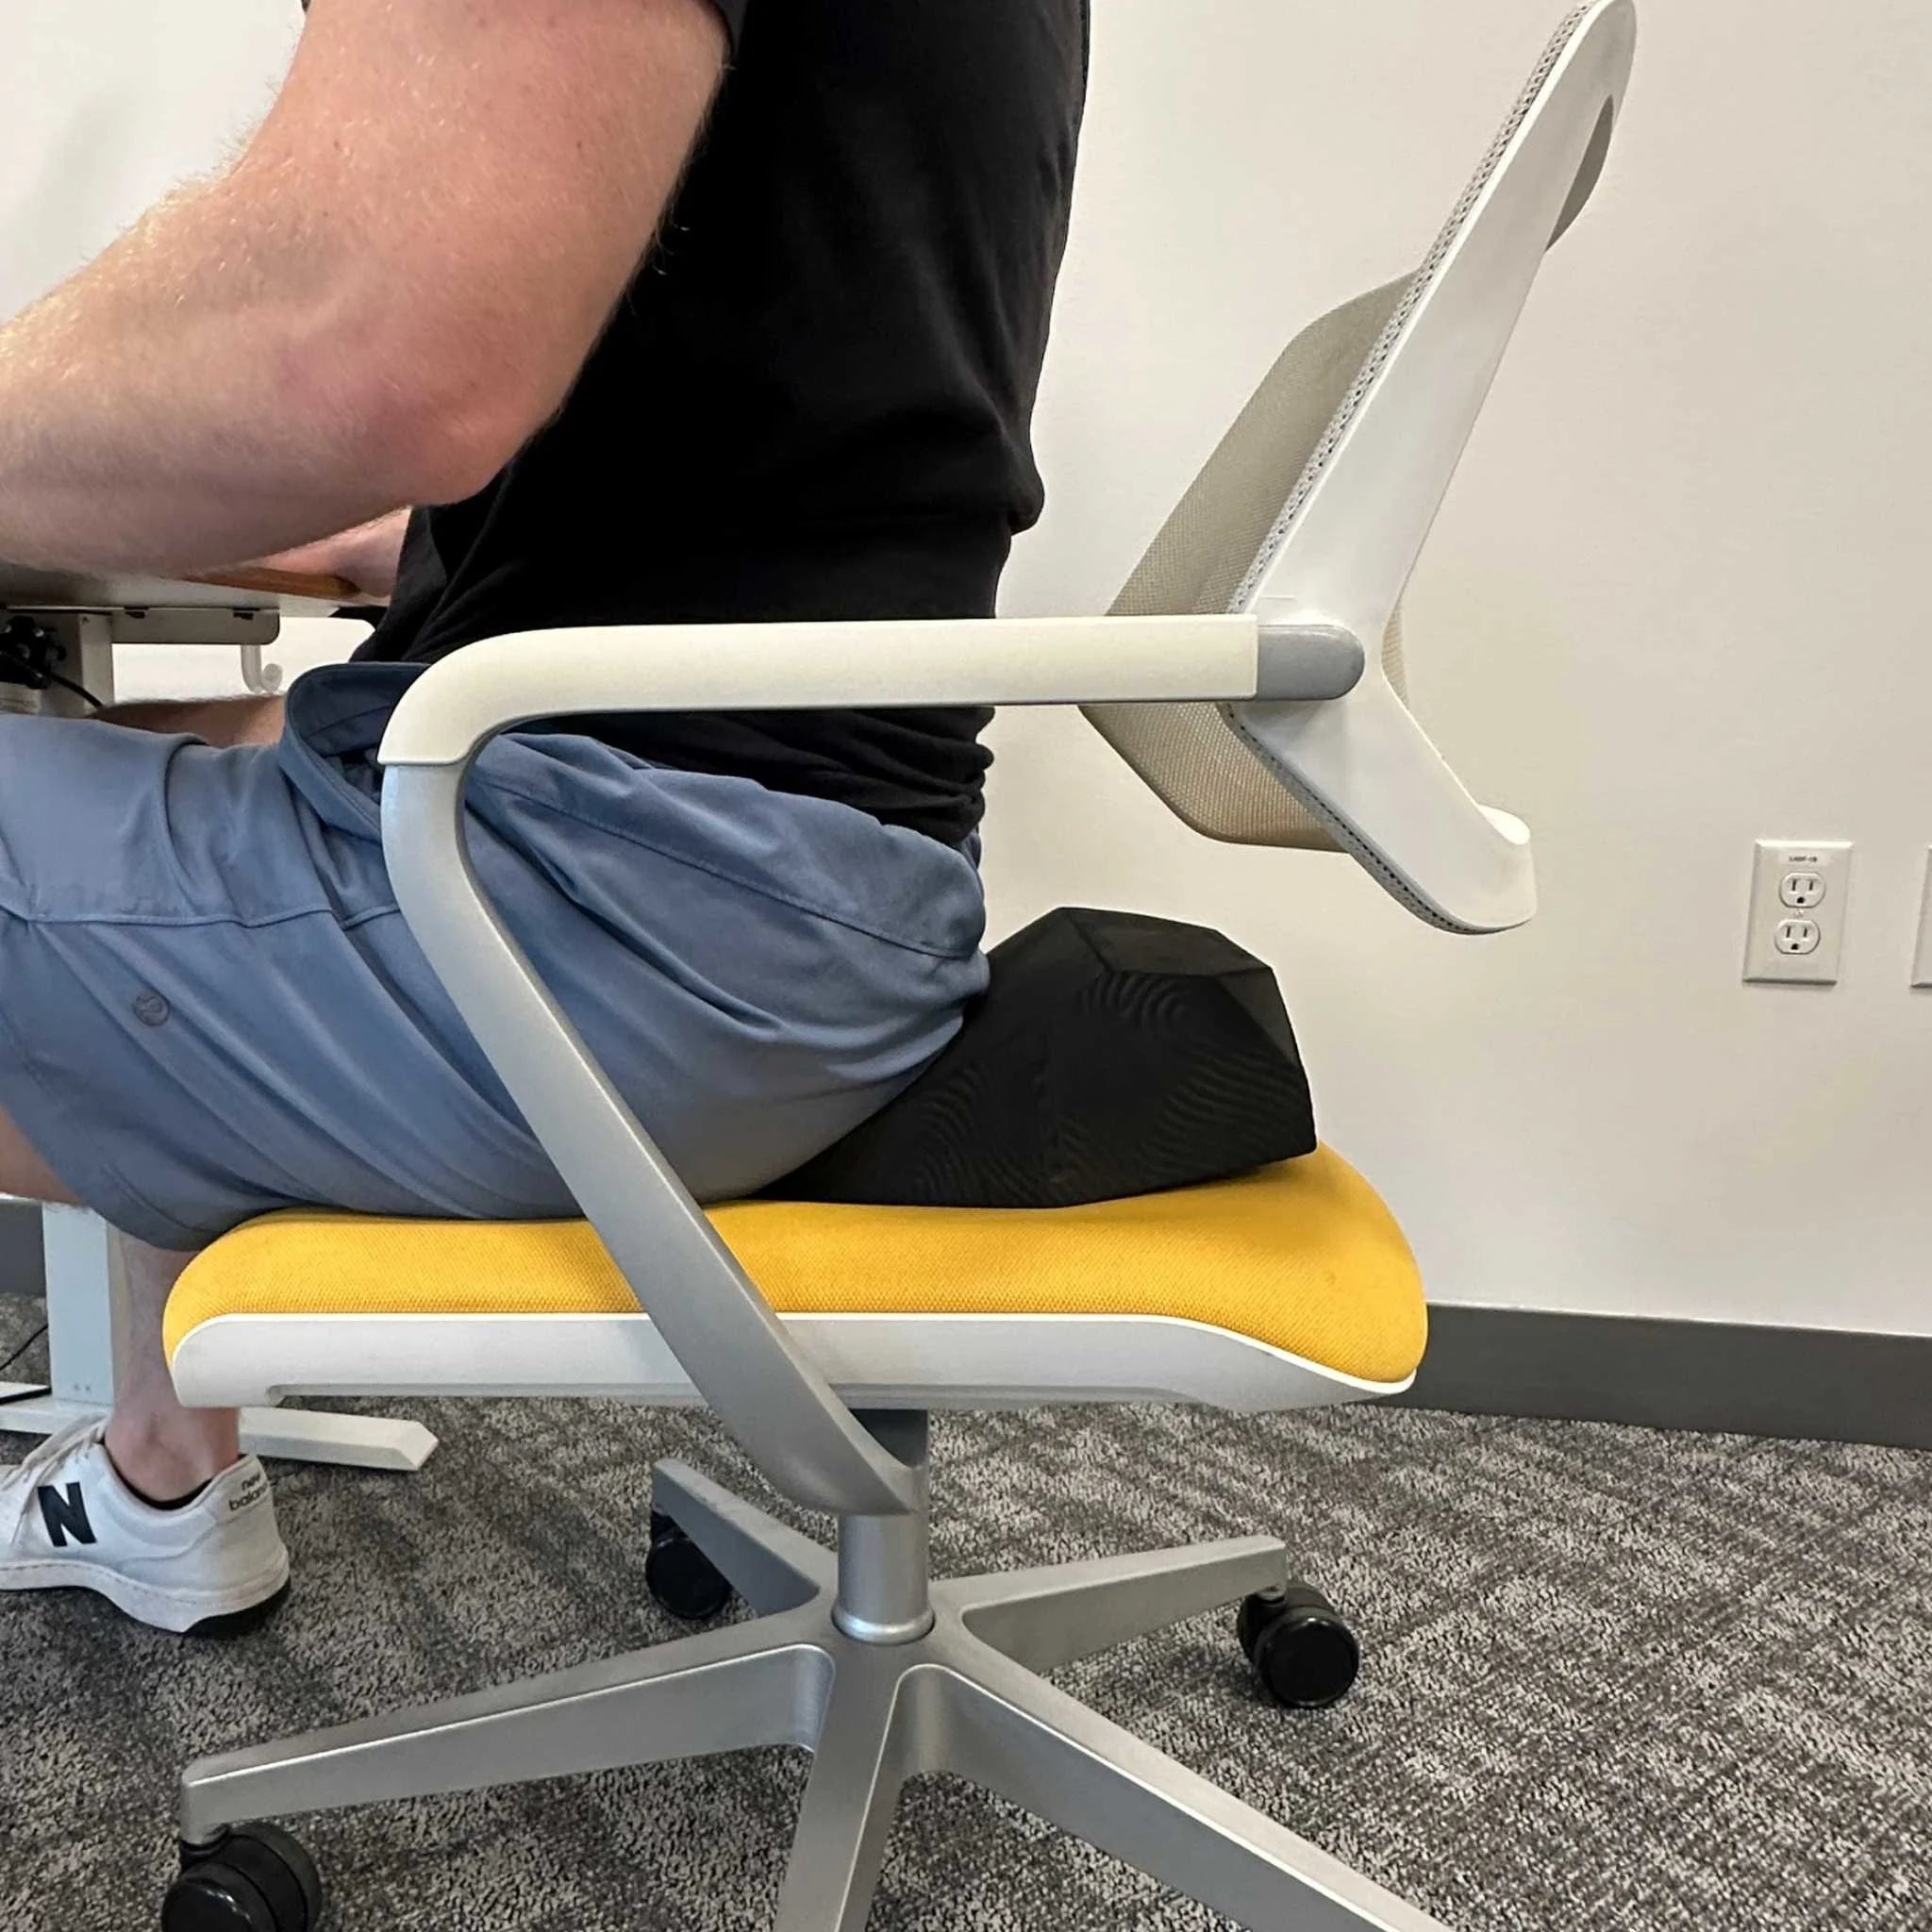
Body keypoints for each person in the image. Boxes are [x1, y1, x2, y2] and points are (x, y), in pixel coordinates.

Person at [0, 0, 1088, 1633]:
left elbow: (356, 345)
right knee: (167, 756)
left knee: (150, 803)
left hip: (613, 929)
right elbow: (749, 418)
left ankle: (163, 1466)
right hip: (835, 894)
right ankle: (167, 1471)